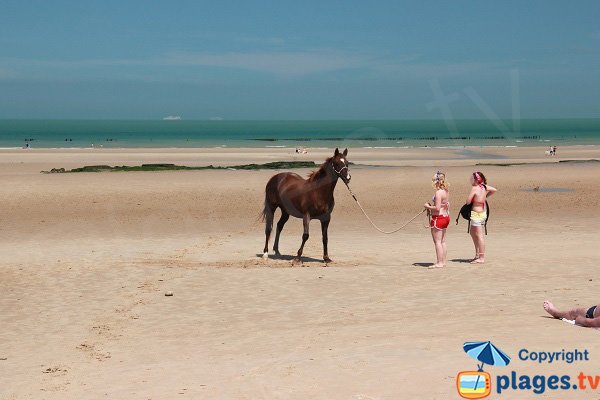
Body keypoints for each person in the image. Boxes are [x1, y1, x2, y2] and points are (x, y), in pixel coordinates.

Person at [466, 172, 496, 264]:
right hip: (482, 213)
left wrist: (478, 198)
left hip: (477, 213)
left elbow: (468, 202)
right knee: (472, 232)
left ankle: (481, 256)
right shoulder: (484, 187)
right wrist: (484, 196)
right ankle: (477, 254)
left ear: (476, 180)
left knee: (479, 235)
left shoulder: (475, 188)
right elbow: (494, 189)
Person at [424, 171, 450, 268]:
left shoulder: (439, 192)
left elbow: (438, 208)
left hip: (438, 218)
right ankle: (443, 261)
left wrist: (427, 206)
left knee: (438, 241)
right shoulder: (446, 191)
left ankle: (439, 262)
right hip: (445, 217)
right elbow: (444, 204)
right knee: (442, 241)